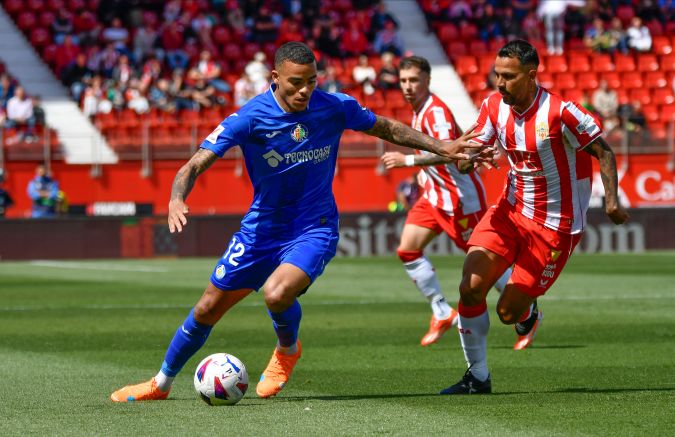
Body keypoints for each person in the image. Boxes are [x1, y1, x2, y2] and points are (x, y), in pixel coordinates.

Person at [110, 41, 487, 403]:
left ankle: (287, 350)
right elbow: (195, 163)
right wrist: (177, 197)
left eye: (312, 80)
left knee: (277, 293)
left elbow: (387, 128)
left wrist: (442, 146)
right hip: (261, 230)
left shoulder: (334, 106)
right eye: (296, 82)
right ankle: (161, 383)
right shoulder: (250, 117)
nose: (305, 89)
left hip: (314, 227)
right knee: (208, 307)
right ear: (275, 76)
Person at [439, 40, 629, 395]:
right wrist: (467, 160)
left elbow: (604, 151)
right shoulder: (493, 106)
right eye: (497, 74)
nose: (499, 83)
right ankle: (477, 377)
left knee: (508, 313)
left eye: (508, 76)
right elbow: (468, 153)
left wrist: (612, 202)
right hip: (509, 211)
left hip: (555, 227)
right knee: (470, 286)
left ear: (531, 76)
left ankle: (527, 312)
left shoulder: (562, 112)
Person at [381, 56, 513, 347]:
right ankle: (441, 310)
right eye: (403, 81)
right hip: (434, 198)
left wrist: (409, 160)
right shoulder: (419, 111)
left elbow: (448, 152)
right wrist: (423, 176)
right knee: (408, 250)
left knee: (484, 264)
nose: (407, 86)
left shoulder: (436, 112)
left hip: (459, 199)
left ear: (427, 80)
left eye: (413, 80)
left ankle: (527, 308)